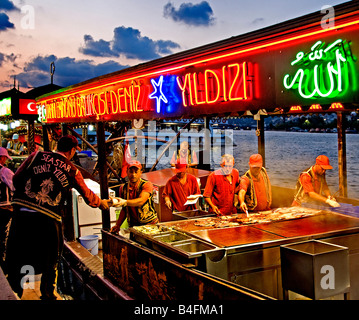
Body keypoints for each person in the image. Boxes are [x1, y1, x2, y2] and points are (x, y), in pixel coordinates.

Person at [4, 135, 109, 300]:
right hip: (48, 217)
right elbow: (87, 195)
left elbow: (16, 178)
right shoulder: (71, 169)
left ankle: (15, 290)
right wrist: (101, 203)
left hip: (22, 213)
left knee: (19, 252)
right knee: (51, 257)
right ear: (72, 150)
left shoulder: (35, 156)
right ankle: (47, 294)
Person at [110, 160, 158, 233]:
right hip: (133, 225)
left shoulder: (146, 185)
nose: (133, 175)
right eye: (131, 172)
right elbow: (124, 210)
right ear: (127, 172)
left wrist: (125, 202)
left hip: (149, 224)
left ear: (140, 173)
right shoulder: (123, 188)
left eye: (136, 172)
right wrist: (118, 225)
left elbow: (141, 201)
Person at [0, 148, 14, 267]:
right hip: (4, 208)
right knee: (5, 235)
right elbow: (15, 186)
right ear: (2, 158)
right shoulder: (4, 171)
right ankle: (4, 261)